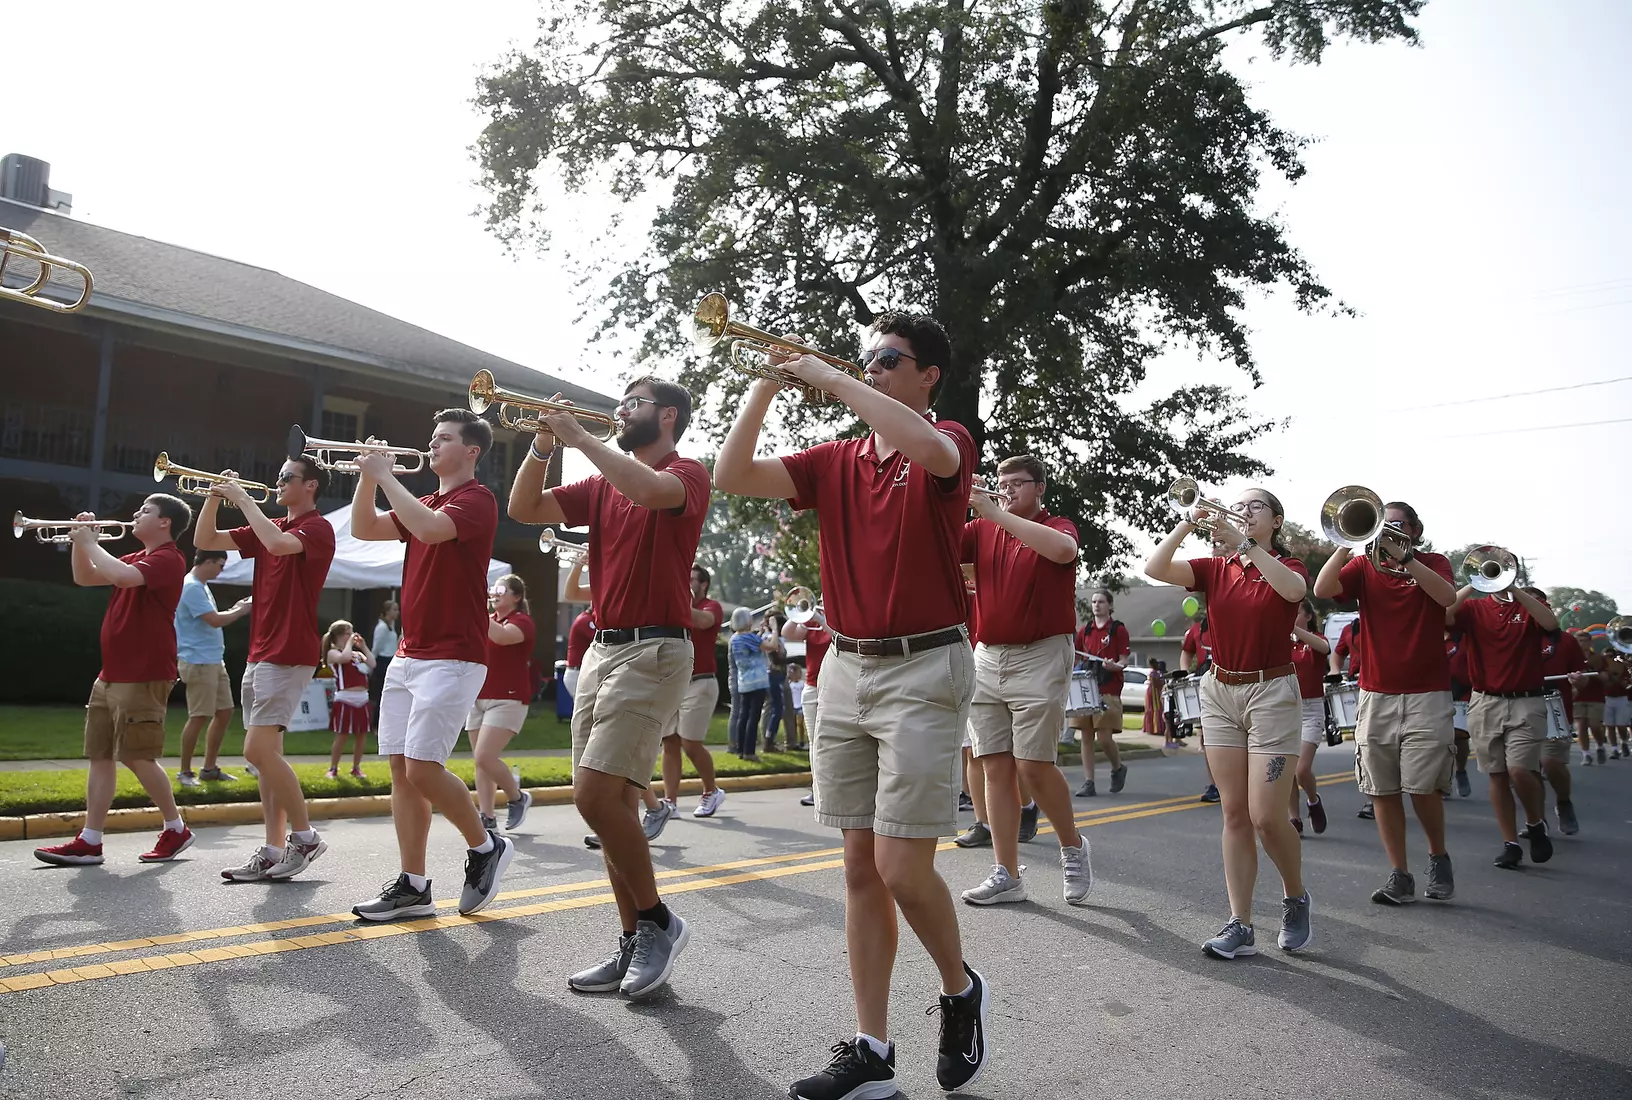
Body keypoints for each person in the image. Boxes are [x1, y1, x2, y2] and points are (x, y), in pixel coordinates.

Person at [715, 310, 991, 1099]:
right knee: (860, 870)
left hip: (924, 667)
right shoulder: (835, 459)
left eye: (887, 358)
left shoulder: (949, 442)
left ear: (927, 374)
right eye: (867, 358)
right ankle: (872, 1050)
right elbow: (733, 474)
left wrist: (831, 376)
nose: (870, 367)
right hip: (847, 668)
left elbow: (930, 449)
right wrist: (768, 382)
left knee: (904, 868)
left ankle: (959, 988)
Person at [508, 376, 708, 1000]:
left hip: (656, 646)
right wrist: (543, 445)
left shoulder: (686, 472)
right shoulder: (599, 485)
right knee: (605, 804)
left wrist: (579, 435)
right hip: (602, 648)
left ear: (668, 415)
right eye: (620, 402)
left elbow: (646, 490)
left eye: (635, 403)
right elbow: (525, 509)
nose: (621, 410)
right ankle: (632, 941)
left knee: (597, 798)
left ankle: (657, 922)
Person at [349, 408, 513, 920]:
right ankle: (414, 885)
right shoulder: (423, 498)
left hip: (453, 655)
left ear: (471, 451)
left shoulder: (476, 499)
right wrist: (365, 479)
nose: (433, 445)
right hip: (408, 653)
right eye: (432, 437)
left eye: (444, 439)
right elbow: (363, 526)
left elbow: (433, 530)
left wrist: (385, 475)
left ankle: (486, 846)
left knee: (423, 768)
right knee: (400, 770)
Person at [1145, 487, 1313, 960]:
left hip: (1271, 693)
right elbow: (1155, 568)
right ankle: (1240, 923)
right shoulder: (1216, 568)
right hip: (1220, 690)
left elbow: (1296, 593)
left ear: (1276, 521)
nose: (1242, 512)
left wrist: (1245, 543)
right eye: (1238, 507)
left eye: (1254, 507)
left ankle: (1295, 895)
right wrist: (1187, 521)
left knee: (1266, 817)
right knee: (1234, 812)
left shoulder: (1286, 566)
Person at [194, 453, 336, 883]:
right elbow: (206, 537)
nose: (277, 483)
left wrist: (243, 498)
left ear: (310, 485)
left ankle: (306, 837)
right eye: (278, 476)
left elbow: (276, 545)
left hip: (288, 650)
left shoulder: (316, 528)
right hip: (261, 651)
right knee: (267, 756)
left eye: (286, 477)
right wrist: (216, 496)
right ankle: (274, 850)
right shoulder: (269, 526)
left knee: (255, 752)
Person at [957, 455, 1092, 908]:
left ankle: (1072, 845)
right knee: (994, 765)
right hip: (988, 655)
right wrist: (953, 491)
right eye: (1002, 483)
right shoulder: (980, 530)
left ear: (1040, 488)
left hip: (1042, 652)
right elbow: (935, 544)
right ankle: (1007, 873)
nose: (1007, 490)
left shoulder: (1059, 525)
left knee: (1032, 765)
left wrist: (993, 512)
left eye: (1018, 484)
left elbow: (1062, 552)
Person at [35, 495, 197, 868]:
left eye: (145, 512)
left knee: (137, 755)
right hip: (111, 673)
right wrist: (80, 541)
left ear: (165, 524)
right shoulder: (136, 558)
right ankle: (90, 840)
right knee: (101, 755)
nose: (136, 515)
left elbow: (123, 578)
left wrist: (90, 542)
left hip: (144, 672)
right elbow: (86, 575)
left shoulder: (170, 559)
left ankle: (176, 828)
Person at [1313, 503, 1459, 905]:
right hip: (1375, 693)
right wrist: (1346, 543)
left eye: (1397, 523)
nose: (1390, 529)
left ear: (1415, 529)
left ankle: (1438, 855)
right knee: (1382, 788)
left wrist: (1406, 558)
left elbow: (1446, 597)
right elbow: (1322, 590)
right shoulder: (1364, 567)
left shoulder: (1433, 562)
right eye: (1384, 523)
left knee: (1423, 785)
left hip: (1427, 692)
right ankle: (1400, 874)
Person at [1448, 574, 1560, 869]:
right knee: (1497, 774)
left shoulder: (1530, 604)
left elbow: (1549, 624)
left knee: (1520, 770)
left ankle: (1535, 823)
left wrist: (1515, 590)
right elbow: (1444, 614)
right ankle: (1510, 843)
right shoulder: (1474, 608)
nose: (1495, 577)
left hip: (1526, 700)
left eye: (1500, 570)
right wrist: (1473, 584)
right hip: (1485, 700)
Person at [463, 574, 536, 833]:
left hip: (508, 697)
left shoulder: (521, 622)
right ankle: (487, 817)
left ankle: (517, 797)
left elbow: (503, 637)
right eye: (493, 590)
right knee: (480, 761)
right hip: (478, 695)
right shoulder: (489, 620)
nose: (494, 594)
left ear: (516, 597)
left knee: (486, 756)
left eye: (501, 591)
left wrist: (477, 607)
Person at [174, 548, 251, 787]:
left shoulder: (201, 585)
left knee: (225, 711)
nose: (222, 569)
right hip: (198, 661)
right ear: (207, 561)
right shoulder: (192, 587)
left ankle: (209, 768)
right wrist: (241, 609)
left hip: (213, 660)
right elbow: (214, 620)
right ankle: (185, 772)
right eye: (220, 564)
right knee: (198, 716)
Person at [660, 564, 726, 819]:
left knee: (690, 742)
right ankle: (670, 802)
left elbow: (701, 620)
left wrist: (676, 597)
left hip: (701, 682)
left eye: (691, 579)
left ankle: (712, 791)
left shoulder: (711, 606)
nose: (686, 582)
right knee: (670, 742)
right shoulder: (675, 605)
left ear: (703, 584)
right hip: (675, 682)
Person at [1531, 591, 1582, 836]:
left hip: (1553, 707)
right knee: (1525, 769)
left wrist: (1577, 681)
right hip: (1518, 704)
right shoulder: (1507, 637)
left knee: (1551, 763)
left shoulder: (1566, 641)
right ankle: (1537, 821)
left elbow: (1580, 680)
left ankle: (1563, 801)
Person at [1074, 590, 1131, 797]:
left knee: (1104, 737)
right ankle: (1089, 782)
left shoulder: (1118, 629)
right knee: (1086, 735)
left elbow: (1124, 659)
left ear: (1110, 605)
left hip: (1109, 687)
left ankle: (1117, 767)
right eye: (1094, 602)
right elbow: (1077, 657)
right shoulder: (1085, 630)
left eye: (1101, 602)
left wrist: (1115, 666)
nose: (1097, 605)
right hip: (1086, 687)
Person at [1286, 600, 1330, 835]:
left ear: (1308, 616)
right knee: (1287, 769)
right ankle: (1294, 818)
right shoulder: (1282, 643)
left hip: (1311, 709)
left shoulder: (1315, 640)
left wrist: (1296, 631)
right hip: (1285, 710)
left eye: (1295, 612)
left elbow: (1325, 649)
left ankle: (1313, 801)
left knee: (1301, 769)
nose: (1290, 616)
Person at [783, 602, 832, 808]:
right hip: (812, 687)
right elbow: (788, 633)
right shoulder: (811, 624)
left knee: (836, 742)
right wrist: (804, 613)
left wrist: (822, 619)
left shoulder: (838, 618)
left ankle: (833, 789)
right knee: (814, 742)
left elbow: (840, 637)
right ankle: (817, 788)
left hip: (835, 687)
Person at [324, 619, 373, 779]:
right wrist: (350, 644)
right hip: (346, 699)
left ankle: (356, 767)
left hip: (362, 699)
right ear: (339, 635)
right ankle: (333, 767)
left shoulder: (356, 654)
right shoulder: (334, 653)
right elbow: (343, 658)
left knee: (361, 735)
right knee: (342, 734)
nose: (352, 636)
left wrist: (363, 647)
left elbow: (372, 663)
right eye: (348, 633)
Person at [729, 608, 775, 758]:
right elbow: (771, 646)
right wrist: (775, 630)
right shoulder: (749, 637)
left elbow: (756, 645)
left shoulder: (734, 638)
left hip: (743, 682)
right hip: (758, 682)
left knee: (743, 716)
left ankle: (740, 749)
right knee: (753, 717)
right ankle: (749, 751)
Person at [1570, 628, 1608, 765]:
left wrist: (1595, 673)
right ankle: (1586, 754)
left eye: (1584, 641)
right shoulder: (1572, 658)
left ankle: (1600, 745)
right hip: (1578, 696)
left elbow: (1605, 676)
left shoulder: (1598, 658)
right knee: (1581, 725)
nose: (1581, 643)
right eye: (1578, 641)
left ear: (1590, 642)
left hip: (1595, 696)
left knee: (1594, 724)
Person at [1446, 627, 1474, 795]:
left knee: (1458, 736)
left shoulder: (1465, 638)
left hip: (1462, 693)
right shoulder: (1427, 636)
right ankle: (1444, 779)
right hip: (1435, 694)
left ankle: (1461, 770)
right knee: (1437, 741)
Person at [761, 611, 793, 752]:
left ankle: (770, 741)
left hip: (778, 676)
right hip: (773, 676)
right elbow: (776, 659)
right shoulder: (769, 638)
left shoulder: (776, 639)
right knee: (776, 710)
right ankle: (768, 741)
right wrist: (796, 659)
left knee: (778, 710)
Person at [368, 599, 400, 725]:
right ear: (387, 612)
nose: (397, 612)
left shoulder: (390, 627)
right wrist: (370, 665)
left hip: (390, 660)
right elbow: (376, 647)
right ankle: (376, 723)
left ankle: (385, 721)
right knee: (382, 692)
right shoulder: (381, 627)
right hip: (382, 661)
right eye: (394, 609)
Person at [789, 661, 808, 750]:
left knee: (800, 723)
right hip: (793, 706)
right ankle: (794, 740)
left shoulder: (802, 684)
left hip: (800, 705)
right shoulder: (789, 684)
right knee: (793, 725)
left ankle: (801, 740)